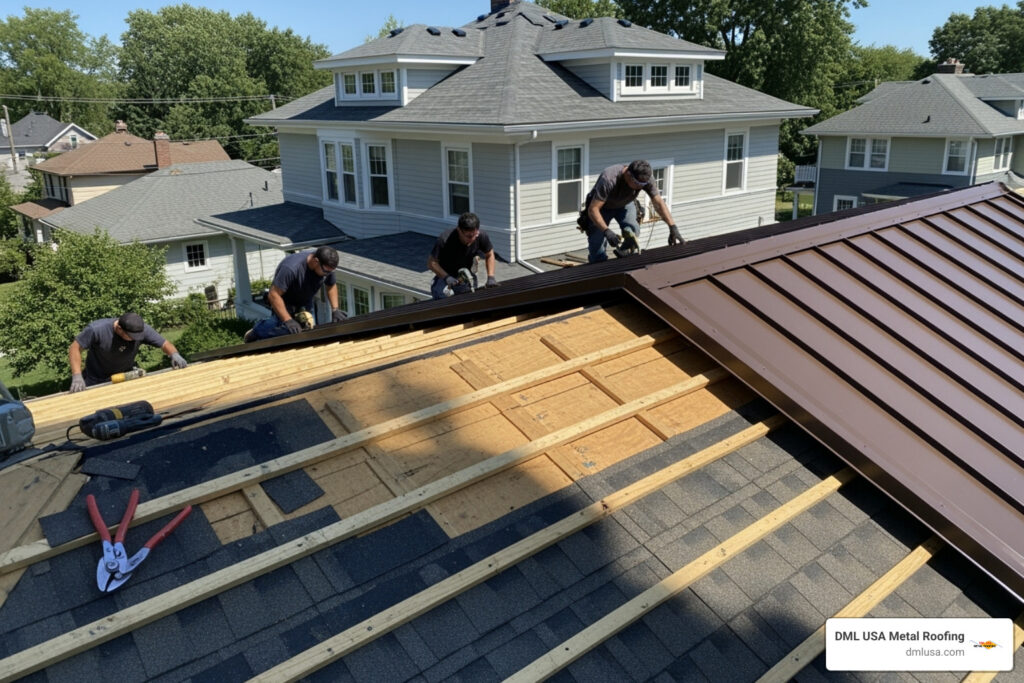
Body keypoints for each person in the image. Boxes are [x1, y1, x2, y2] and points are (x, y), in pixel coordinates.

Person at [579, 160, 684, 263]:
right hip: (602, 207)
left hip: (625, 203)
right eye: (638, 183)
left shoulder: (645, 179)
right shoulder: (609, 178)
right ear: (628, 175)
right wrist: (607, 231)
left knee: (633, 229)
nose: (641, 186)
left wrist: (672, 227)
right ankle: (598, 265)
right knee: (597, 241)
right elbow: (593, 209)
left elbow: (658, 202)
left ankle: (624, 251)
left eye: (644, 184)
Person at [244, 245, 347, 342]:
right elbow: (273, 294)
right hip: (284, 302)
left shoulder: (326, 267)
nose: (328, 274)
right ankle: (257, 331)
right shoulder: (291, 268)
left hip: (305, 301)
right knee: (286, 331)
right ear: (316, 261)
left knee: (308, 332)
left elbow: (331, 285)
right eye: (326, 271)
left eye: (331, 271)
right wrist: (288, 320)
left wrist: (335, 309)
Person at [69, 312, 187, 392]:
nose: (135, 339)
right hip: (96, 380)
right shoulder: (97, 329)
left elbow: (165, 344)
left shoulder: (140, 329)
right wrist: (77, 376)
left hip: (126, 376)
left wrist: (174, 354)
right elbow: (75, 348)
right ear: (119, 329)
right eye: (131, 336)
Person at [427, 212, 499, 299]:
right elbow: (432, 263)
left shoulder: (481, 236)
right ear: (459, 230)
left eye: (474, 235)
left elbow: (490, 254)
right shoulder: (445, 239)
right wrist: (447, 277)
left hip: (464, 274)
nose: (472, 239)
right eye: (468, 236)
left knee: (470, 298)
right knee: (441, 296)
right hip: (445, 274)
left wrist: (491, 277)